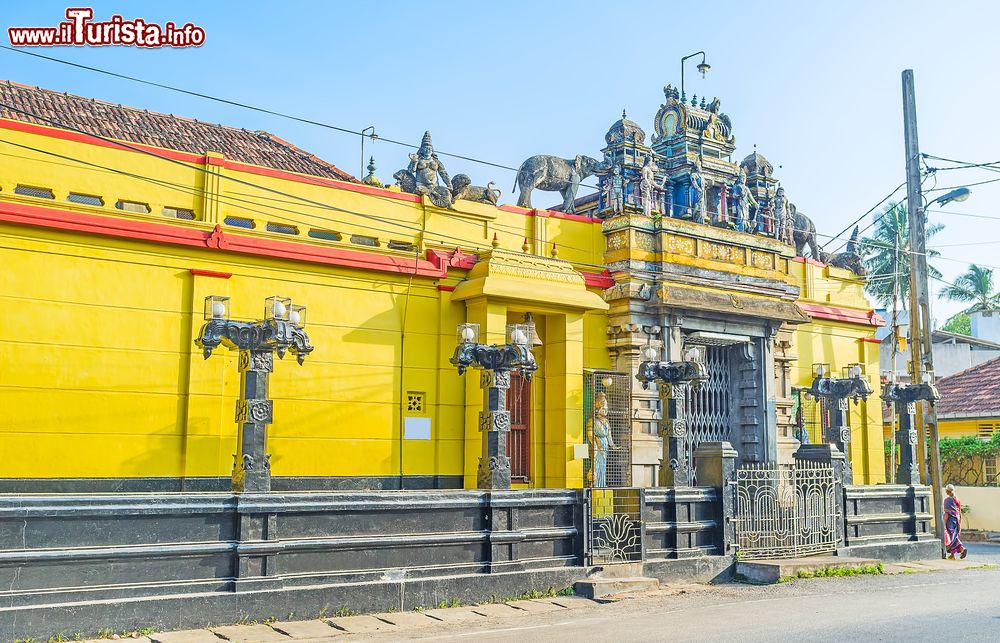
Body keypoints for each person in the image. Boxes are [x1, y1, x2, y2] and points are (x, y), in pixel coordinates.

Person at [588, 392, 615, 487]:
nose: (605, 411)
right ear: (598, 409)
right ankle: (596, 484)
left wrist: (612, 445)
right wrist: (594, 444)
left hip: (605, 444)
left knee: (603, 465)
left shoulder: (606, 421)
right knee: (597, 464)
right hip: (597, 443)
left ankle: (602, 484)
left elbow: (609, 435)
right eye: (603, 409)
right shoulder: (593, 421)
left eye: (606, 409)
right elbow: (590, 434)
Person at [943, 484, 968, 560]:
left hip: (950, 520)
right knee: (954, 535)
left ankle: (961, 548)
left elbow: (947, 512)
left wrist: (944, 523)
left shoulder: (947, 500)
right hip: (956, 520)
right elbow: (959, 511)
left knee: (951, 537)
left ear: (947, 491)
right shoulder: (957, 499)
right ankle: (952, 555)